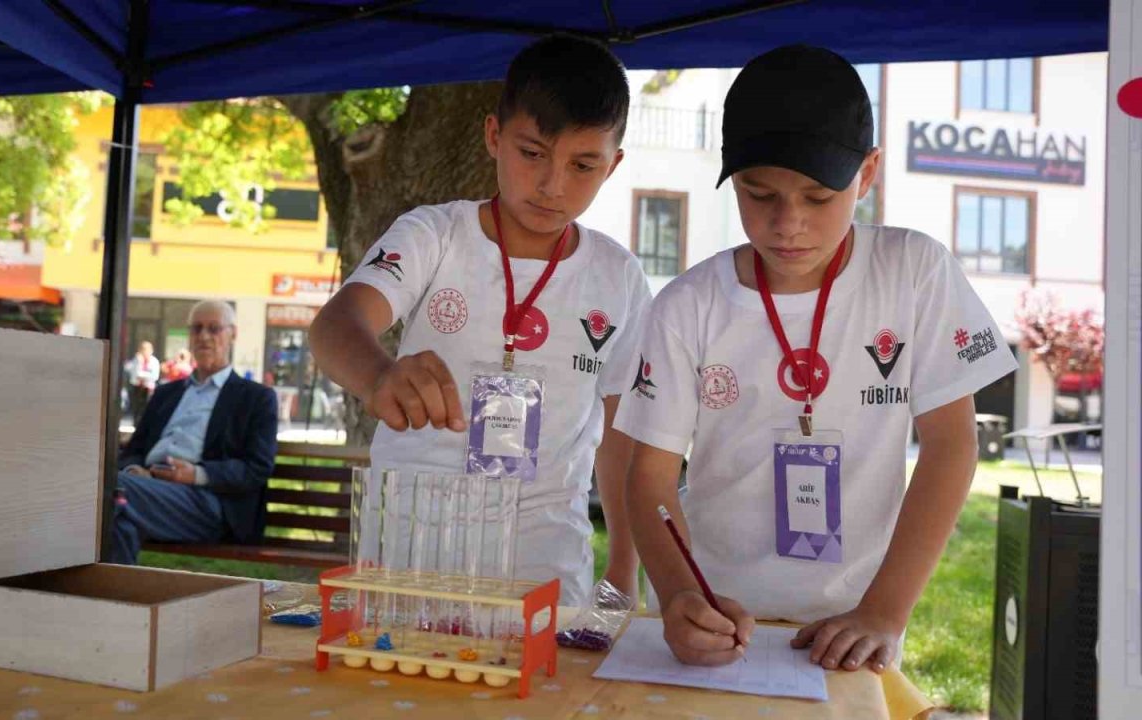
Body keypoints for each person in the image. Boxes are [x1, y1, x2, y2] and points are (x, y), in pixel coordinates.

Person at [614, 45, 1018, 672]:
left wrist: (886, 612)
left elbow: (951, 445)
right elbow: (651, 477)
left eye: (819, 196)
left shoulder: (914, 273)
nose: (788, 224)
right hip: (719, 620)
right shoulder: (688, 305)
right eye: (759, 194)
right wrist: (679, 594)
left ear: (868, 173)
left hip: (852, 631)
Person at [309, 34, 651, 607]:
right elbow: (335, 326)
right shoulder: (434, 235)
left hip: (543, 559)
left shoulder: (617, 276)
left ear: (613, 165)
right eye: (532, 153)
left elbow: (621, 431)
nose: (552, 185)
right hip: (414, 550)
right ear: (494, 137)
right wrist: (379, 376)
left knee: (537, 695)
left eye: (583, 165)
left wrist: (622, 562)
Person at [111, 300, 278, 565]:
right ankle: (117, 602)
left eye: (214, 329)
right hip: (145, 488)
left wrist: (196, 475)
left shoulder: (256, 398)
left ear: (232, 334)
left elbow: (257, 467)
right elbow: (134, 451)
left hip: (208, 502)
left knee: (107, 488)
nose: (204, 337)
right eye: (197, 329)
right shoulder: (166, 394)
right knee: (119, 521)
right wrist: (134, 471)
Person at [127, 341, 161, 426]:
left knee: (146, 409)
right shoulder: (137, 360)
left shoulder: (154, 361)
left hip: (148, 388)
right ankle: (136, 425)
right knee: (136, 409)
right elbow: (134, 375)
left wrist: (142, 375)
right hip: (137, 387)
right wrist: (139, 363)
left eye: (146, 350)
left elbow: (154, 376)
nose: (145, 352)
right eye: (143, 350)